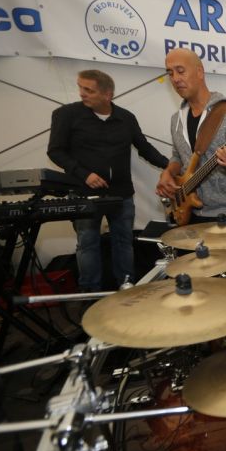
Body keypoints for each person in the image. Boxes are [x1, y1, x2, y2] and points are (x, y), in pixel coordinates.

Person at [48, 69, 169, 291]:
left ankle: (126, 289)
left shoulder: (126, 118)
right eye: (81, 87)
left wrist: (171, 167)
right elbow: (55, 151)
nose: (82, 93)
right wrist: (84, 174)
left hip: (121, 194)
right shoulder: (66, 114)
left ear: (107, 95)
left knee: (124, 243)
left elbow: (144, 148)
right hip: (84, 195)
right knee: (87, 245)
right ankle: (89, 295)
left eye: (89, 90)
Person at [155, 48, 226, 222]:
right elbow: (178, 156)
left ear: (200, 72)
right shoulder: (176, 119)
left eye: (180, 71)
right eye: (170, 73)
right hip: (189, 214)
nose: (175, 79)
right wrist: (168, 172)